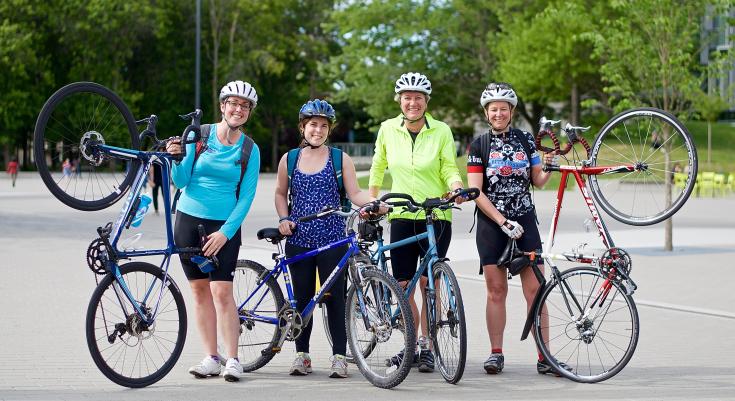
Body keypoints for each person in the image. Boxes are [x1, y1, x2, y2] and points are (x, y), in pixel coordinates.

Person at [275, 99, 385, 379]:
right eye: (313, 124)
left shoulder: (339, 158)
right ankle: (302, 355)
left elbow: (355, 193)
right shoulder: (289, 159)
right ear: (303, 127)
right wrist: (283, 218)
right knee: (302, 300)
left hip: (333, 240)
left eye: (323, 125)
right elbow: (279, 193)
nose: (318, 130)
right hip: (299, 239)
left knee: (334, 300)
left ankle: (339, 356)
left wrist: (373, 203)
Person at [466, 82, 569, 376]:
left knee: (537, 290)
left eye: (503, 108)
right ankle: (496, 353)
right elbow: (475, 191)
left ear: (511, 111)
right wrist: (501, 221)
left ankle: (544, 357)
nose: (498, 113)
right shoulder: (479, 145)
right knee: (496, 291)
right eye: (493, 109)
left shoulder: (526, 140)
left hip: (525, 221)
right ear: (487, 113)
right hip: (492, 224)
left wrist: (550, 164)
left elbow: (538, 180)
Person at [369, 72, 465, 373]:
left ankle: (426, 346)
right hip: (400, 214)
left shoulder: (441, 130)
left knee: (430, 283)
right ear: (400, 100)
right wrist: (371, 201)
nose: (413, 103)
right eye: (407, 98)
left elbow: (449, 166)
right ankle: (411, 343)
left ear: (426, 102)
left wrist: (457, 186)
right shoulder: (387, 129)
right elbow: (377, 166)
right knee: (403, 285)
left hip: (435, 214)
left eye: (418, 98)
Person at [166, 80, 261, 382]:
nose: (238, 109)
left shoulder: (250, 149)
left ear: (248, 112)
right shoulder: (200, 136)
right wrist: (176, 157)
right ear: (222, 106)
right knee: (198, 290)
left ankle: (232, 358)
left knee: (222, 291)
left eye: (244, 106)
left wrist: (225, 233)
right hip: (187, 220)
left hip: (224, 227)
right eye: (232, 103)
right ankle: (211, 357)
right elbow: (181, 181)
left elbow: (246, 197)